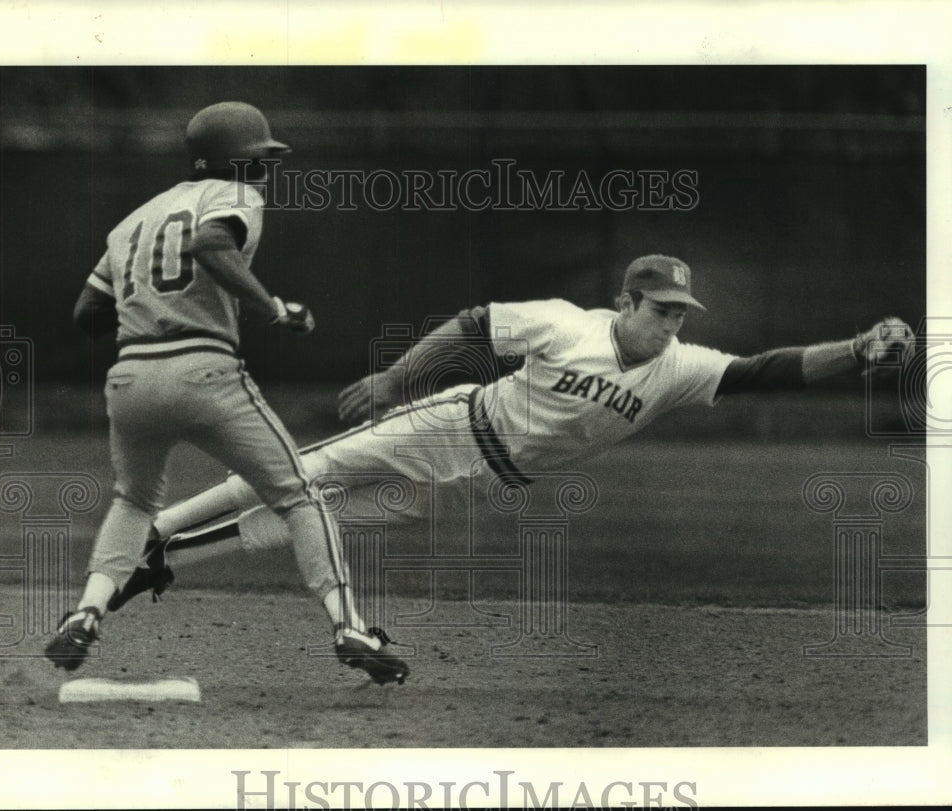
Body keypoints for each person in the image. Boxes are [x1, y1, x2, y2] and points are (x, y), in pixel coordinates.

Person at [107, 253, 915, 604]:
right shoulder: (568, 323)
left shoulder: (680, 369)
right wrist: (398, 376)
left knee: (317, 519)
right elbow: (472, 326)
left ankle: (169, 560)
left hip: (485, 486)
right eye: (661, 309)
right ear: (627, 301)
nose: (672, 324)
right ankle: (158, 522)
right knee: (301, 470)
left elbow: (766, 368)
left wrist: (853, 350)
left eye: (681, 313)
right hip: (447, 428)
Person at [44, 101, 409, 686]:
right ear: (232, 161)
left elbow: (87, 313)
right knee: (299, 496)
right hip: (205, 370)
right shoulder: (232, 195)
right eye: (258, 158)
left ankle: (87, 611)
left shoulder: (130, 221)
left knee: (134, 502)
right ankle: (350, 627)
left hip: (131, 377)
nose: (266, 169)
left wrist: (149, 321)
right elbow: (211, 244)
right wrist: (273, 307)